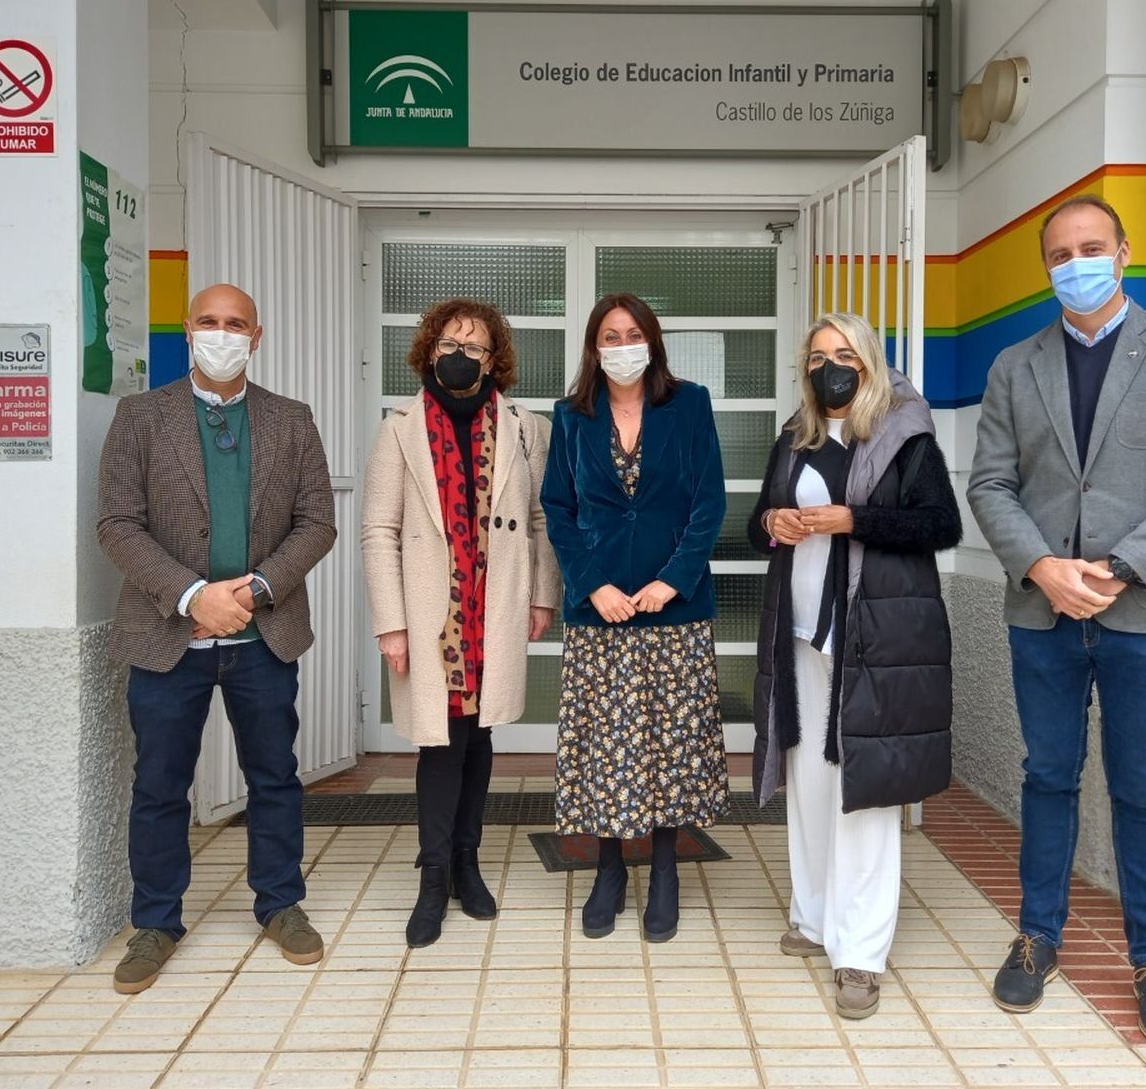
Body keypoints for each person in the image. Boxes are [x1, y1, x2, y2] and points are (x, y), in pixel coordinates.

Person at [967, 195, 1146, 1047]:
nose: (1075, 262)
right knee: (1047, 776)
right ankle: (1037, 937)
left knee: (1143, 790)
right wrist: (1044, 567)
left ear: (1125, 252)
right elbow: (991, 485)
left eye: (1091, 247)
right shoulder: (1017, 364)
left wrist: (1116, 569)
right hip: (1041, 613)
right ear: (1045, 268)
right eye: (1059, 253)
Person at [97, 282, 337, 994]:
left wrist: (253, 592)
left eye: (236, 324)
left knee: (274, 777)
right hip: (166, 637)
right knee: (161, 785)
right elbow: (117, 525)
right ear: (188, 329)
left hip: (265, 635)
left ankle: (280, 905)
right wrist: (192, 594)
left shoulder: (291, 420)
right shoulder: (141, 417)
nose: (222, 333)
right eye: (210, 322)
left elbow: (316, 522)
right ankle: (156, 921)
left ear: (256, 337)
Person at [748, 313, 961, 1020]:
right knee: (809, 777)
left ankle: (862, 955)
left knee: (863, 789)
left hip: (874, 635)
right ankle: (814, 920)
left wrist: (854, 520)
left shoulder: (903, 433)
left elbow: (941, 524)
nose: (829, 367)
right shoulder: (796, 435)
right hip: (804, 633)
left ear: (869, 363)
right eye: (817, 357)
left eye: (843, 355)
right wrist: (774, 523)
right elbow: (758, 522)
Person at [361, 298, 560, 947]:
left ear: (494, 357)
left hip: (493, 603)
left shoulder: (526, 427)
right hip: (431, 611)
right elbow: (378, 529)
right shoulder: (400, 426)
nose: (459, 356)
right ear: (428, 348)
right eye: (449, 343)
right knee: (439, 743)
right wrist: (391, 622)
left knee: (477, 739)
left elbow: (540, 521)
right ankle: (433, 877)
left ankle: (468, 866)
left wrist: (541, 597)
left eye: (474, 348)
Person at [541, 292, 730, 944]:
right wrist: (592, 586)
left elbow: (710, 501)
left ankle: (669, 867)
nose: (622, 346)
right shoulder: (571, 417)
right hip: (600, 616)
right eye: (610, 336)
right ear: (594, 348)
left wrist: (671, 581)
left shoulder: (691, 404)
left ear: (652, 340)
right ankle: (612, 869)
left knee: (670, 745)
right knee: (608, 745)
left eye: (633, 334)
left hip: (673, 612)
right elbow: (558, 512)